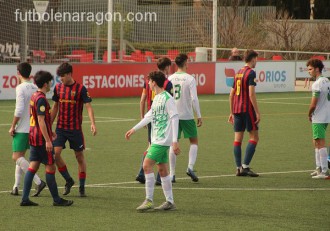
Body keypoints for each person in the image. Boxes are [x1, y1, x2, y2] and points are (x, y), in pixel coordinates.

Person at [125, 71, 180, 212]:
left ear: (154, 82)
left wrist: (174, 141)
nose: (148, 84)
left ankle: (149, 200)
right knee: (162, 170)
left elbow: (175, 118)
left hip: (162, 140)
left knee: (146, 165)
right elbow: (149, 116)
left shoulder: (168, 98)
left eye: (149, 81)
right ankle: (170, 201)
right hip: (157, 138)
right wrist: (134, 129)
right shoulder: (156, 98)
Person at [20, 70, 73, 206]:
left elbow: (40, 121)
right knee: (50, 167)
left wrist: (51, 132)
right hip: (41, 139)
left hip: (33, 136)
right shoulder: (42, 99)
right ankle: (56, 200)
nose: (51, 84)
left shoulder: (34, 96)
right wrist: (48, 140)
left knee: (33, 166)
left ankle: (25, 199)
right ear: (45, 84)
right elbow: (41, 120)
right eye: (49, 82)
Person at [51, 62, 97, 197]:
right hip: (60, 128)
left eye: (62, 76)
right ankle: (68, 180)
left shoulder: (81, 89)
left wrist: (92, 123)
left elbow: (88, 106)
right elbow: (55, 107)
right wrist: (49, 124)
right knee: (55, 154)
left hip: (75, 129)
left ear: (69, 74)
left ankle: (82, 187)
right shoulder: (58, 88)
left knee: (79, 157)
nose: (60, 79)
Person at [9, 62, 46, 196]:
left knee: (16, 157)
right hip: (33, 128)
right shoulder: (35, 87)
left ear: (18, 73)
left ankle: (38, 182)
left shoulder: (20, 88)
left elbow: (19, 110)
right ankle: (16, 187)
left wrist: (13, 125)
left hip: (22, 129)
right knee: (21, 157)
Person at [135, 57, 173, 185]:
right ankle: (152, 176)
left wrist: (142, 117)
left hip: (151, 116)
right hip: (161, 118)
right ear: (167, 67)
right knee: (158, 146)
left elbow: (142, 99)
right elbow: (168, 102)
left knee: (152, 145)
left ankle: (144, 173)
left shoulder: (148, 82)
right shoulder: (166, 83)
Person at [168, 54, 202, 183]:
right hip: (187, 115)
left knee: (173, 143)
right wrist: (198, 115)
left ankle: (172, 174)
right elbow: (194, 99)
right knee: (194, 141)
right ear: (185, 62)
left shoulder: (170, 78)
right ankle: (190, 167)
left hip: (173, 115)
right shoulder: (190, 79)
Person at [228, 49, 260, 177]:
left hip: (236, 109)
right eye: (256, 58)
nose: (257, 61)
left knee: (237, 139)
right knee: (254, 137)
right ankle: (245, 166)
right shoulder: (251, 72)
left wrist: (231, 112)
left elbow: (231, 94)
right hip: (247, 109)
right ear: (252, 59)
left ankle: (238, 168)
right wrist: (257, 112)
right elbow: (251, 93)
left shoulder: (238, 73)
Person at [307, 59, 330, 179]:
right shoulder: (326, 80)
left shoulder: (316, 84)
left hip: (319, 116)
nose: (308, 71)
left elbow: (313, 104)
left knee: (320, 143)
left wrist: (309, 113)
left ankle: (324, 171)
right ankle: (318, 168)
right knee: (316, 141)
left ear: (317, 69)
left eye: (310, 69)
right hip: (326, 116)